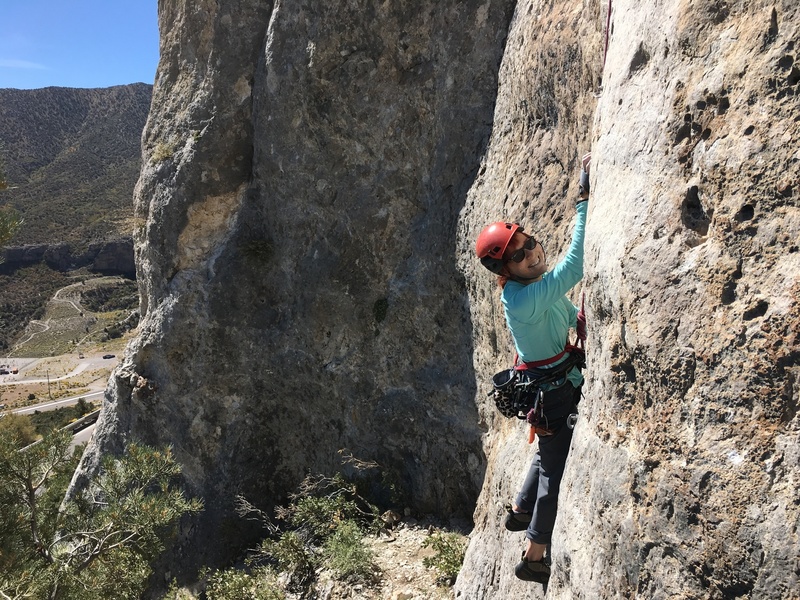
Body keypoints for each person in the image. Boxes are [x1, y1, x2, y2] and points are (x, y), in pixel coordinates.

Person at [474, 153, 591, 583]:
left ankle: (521, 508)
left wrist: (576, 320)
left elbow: (556, 298)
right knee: (554, 471)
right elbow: (573, 267)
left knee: (547, 451)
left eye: (529, 242)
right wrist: (584, 199)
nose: (532, 252)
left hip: (545, 384)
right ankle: (534, 554)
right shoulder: (525, 296)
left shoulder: (524, 289)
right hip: (556, 392)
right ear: (506, 270)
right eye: (520, 255)